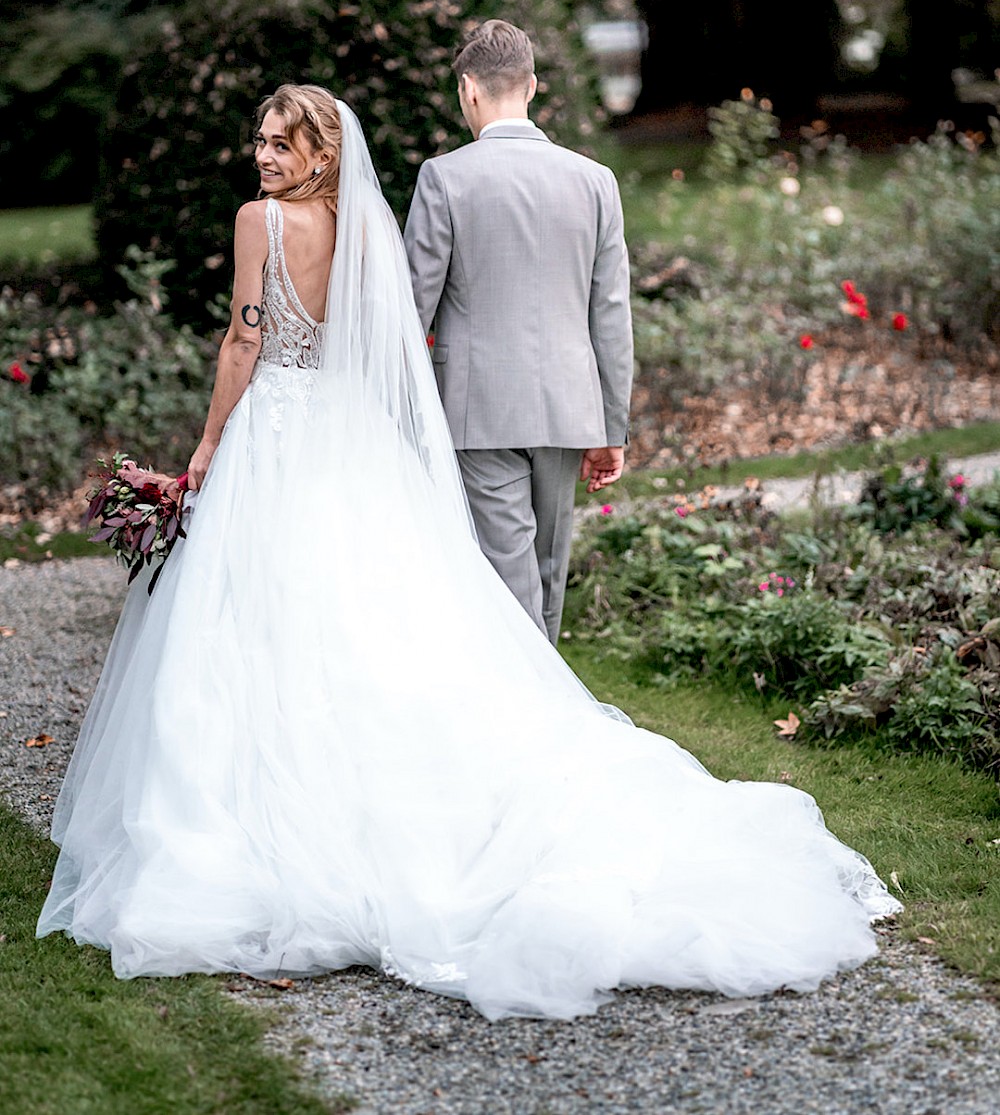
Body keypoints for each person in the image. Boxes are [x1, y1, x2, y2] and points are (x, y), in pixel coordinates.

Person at [37, 83, 899, 1022]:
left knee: (261, 617)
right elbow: (380, 341)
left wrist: (206, 447)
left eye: (283, 143)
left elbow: (245, 342)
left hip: (278, 430)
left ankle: (265, 826)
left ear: (321, 153)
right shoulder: (362, 222)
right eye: (261, 141)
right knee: (366, 612)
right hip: (348, 433)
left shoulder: (261, 223)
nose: (265, 157)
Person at [404, 20, 632, 643]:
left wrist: (401, 411)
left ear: (469, 90)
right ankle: (548, 709)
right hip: (567, 406)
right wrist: (612, 427)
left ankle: (528, 720)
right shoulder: (594, 181)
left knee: (507, 577)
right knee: (546, 573)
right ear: (531, 86)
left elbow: (411, 311)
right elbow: (610, 314)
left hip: (477, 411)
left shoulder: (444, 178)